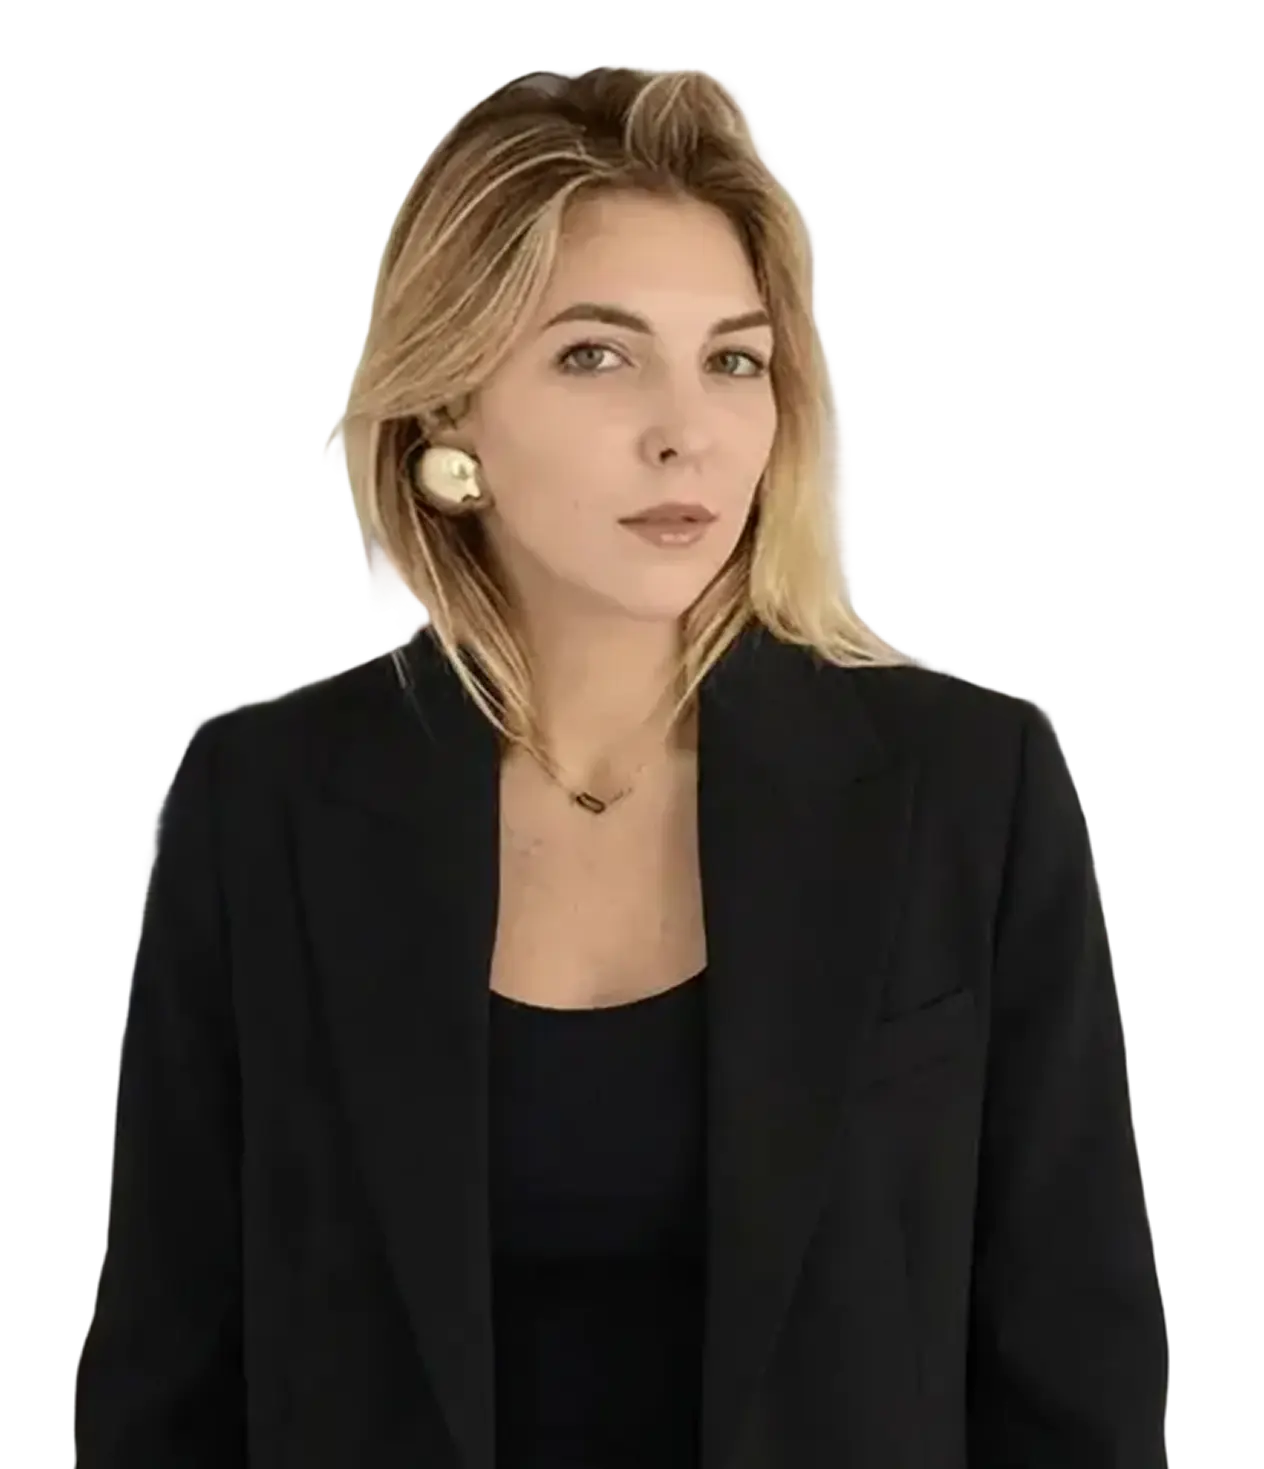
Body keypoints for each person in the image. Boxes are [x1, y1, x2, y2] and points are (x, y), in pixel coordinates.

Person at [73, 65, 1167, 1467]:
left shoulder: (966, 787)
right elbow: (166, 1374)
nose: (686, 431)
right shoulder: (265, 801)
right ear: (449, 409)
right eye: (597, 355)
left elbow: (1080, 1376)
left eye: (733, 361)